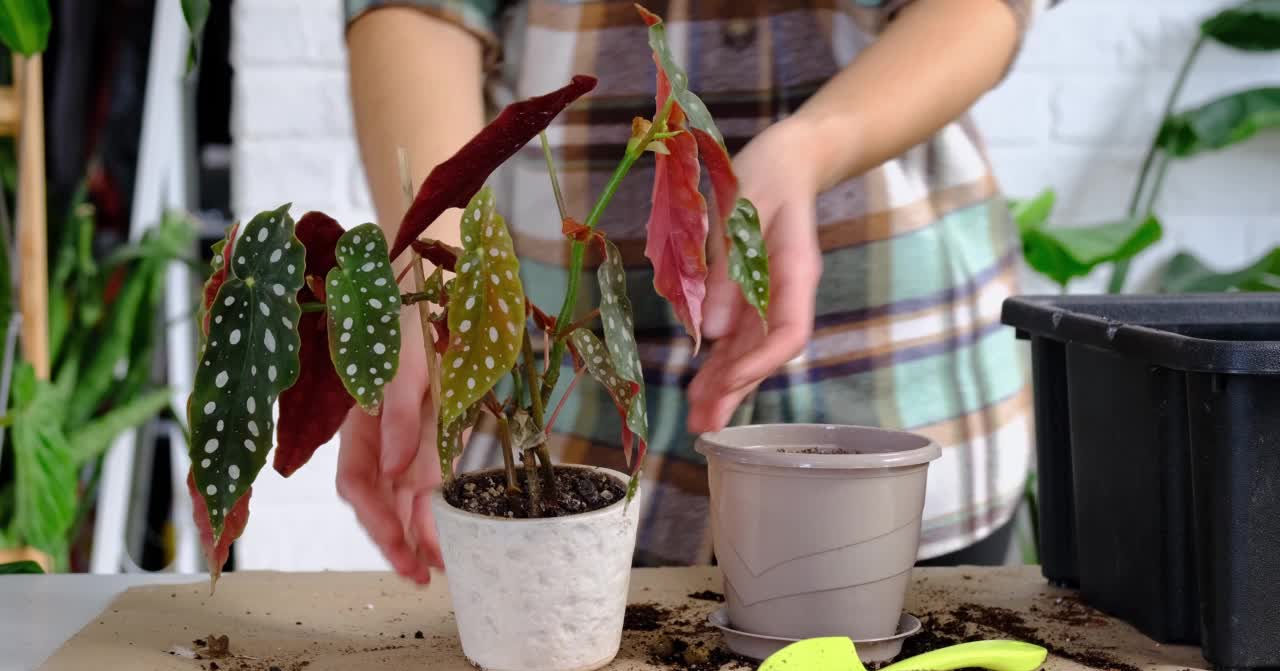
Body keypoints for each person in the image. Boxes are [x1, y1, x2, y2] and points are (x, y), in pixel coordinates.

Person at [338, 0, 1055, 585]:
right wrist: (434, 271)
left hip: (903, 380)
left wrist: (817, 145)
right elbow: (418, 10)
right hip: (560, 427)